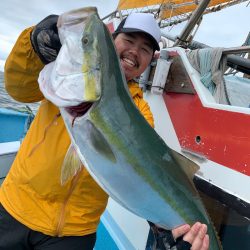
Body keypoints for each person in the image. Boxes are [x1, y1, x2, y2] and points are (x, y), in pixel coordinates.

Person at [0, 11, 209, 250]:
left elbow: (139, 171)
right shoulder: (66, 78)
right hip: (16, 206)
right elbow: (18, 89)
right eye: (129, 40)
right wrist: (34, 45)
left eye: (144, 49)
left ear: (150, 59)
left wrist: (165, 227)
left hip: (74, 231)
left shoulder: (141, 112)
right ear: (112, 42)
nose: (134, 51)